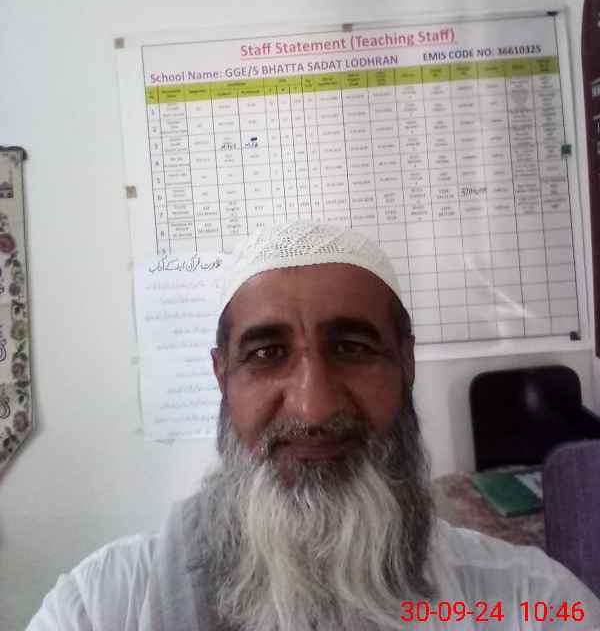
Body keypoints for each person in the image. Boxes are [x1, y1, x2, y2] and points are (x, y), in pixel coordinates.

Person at [27, 221, 600, 630]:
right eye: (266, 354)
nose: (314, 407)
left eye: (352, 347)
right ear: (222, 377)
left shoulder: (530, 603)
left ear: (406, 363)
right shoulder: (101, 605)